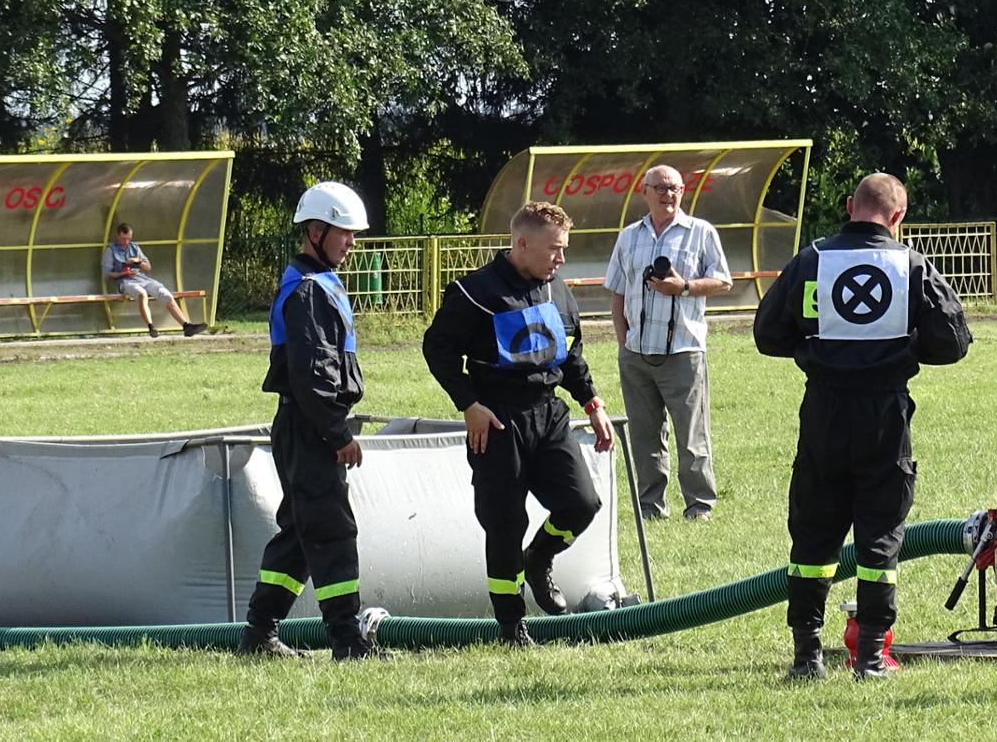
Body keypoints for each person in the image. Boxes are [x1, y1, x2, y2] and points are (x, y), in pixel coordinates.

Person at [753, 173, 971, 680]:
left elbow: (767, 334)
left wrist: (814, 350)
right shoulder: (912, 265)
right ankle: (870, 657)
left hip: (823, 410)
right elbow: (954, 341)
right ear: (898, 217)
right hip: (884, 413)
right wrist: (905, 349)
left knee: (812, 537)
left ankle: (807, 658)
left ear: (850, 206)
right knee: (881, 537)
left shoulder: (810, 260)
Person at [424, 202, 616, 647]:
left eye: (564, 249)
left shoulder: (557, 290)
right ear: (522, 243)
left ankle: (540, 558)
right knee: (505, 522)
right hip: (497, 417)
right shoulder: (475, 292)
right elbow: (437, 349)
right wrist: (468, 403)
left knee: (581, 503)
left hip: (548, 415)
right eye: (554, 249)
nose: (561, 259)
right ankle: (511, 625)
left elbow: (569, 355)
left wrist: (591, 403)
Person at [238, 181, 380, 660]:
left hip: (305, 423)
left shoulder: (315, 282)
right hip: (312, 425)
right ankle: (347, 640)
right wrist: (337, 432)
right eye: (344, 233)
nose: (351, 243)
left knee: (301, 531)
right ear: (316, 231)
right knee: (333, 531)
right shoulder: (309, 289)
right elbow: (311, 370)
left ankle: (259, 633)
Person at [604, 165, 733, 522]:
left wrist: (686, 287)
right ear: (643, 191)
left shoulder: (701, 232)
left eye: (675, 188)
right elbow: (617, 289)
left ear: (683, 192)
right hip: (635, 353)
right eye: (660, 187)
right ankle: (650, 508)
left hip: (684, 352)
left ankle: (699, 506)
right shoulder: (629, 236)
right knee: (645, 437)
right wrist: (622, 338)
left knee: (691, 436)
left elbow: (723, 282)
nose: (668, 194)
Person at [104, 223, 205, 337]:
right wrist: (123, 273)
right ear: (118, 236)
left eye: (129, 239)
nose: (126, 242)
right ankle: (151, 327)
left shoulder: (135, 247)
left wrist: (139, 262)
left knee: (166, 294)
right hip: (126, 282)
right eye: (123, 239)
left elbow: (148, 267)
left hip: (142, 278)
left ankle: (187, 326)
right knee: (142, 294)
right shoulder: (111, 250)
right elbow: (107, 275)